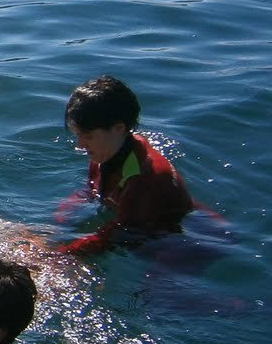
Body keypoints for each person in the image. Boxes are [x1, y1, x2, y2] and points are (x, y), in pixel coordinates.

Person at [55, 75, 193, 256]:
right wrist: (58, 222)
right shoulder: (106, 152)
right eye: (77, 135)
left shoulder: (144, 180)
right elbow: (92, 191)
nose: (79, 144)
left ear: (118, 128)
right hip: (134, 220)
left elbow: (117, 235)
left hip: (181, 243)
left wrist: (58, 255)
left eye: (87, 136)